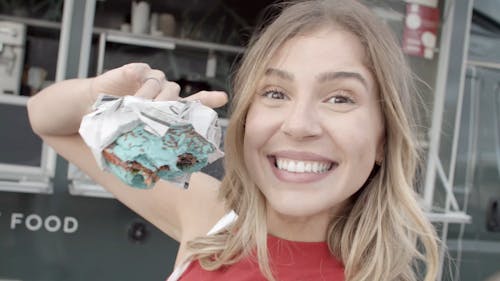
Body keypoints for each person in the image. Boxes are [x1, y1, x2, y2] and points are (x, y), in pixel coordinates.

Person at [27, 0, 440, 280]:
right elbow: (47, 119)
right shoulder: (215, 217)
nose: (299, 125)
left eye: (339, 98)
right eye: (276, 93)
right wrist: (105, 94)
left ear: (385, 138)